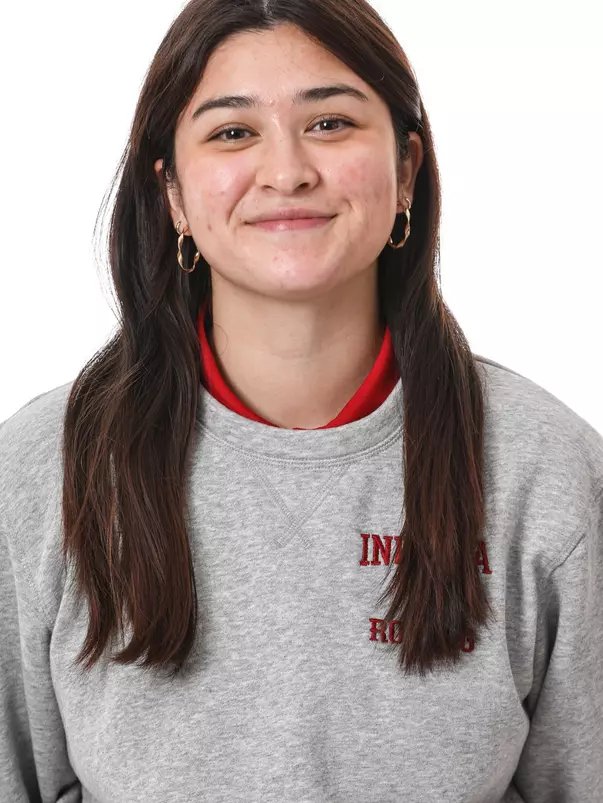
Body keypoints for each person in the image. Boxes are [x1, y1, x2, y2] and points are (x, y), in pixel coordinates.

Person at [1, 0, 601, 801]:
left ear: (407, 171)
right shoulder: (44, 469)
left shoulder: (544, 469)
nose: (286, 172)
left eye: (329, 124)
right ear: (173, 194)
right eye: (232, 132)